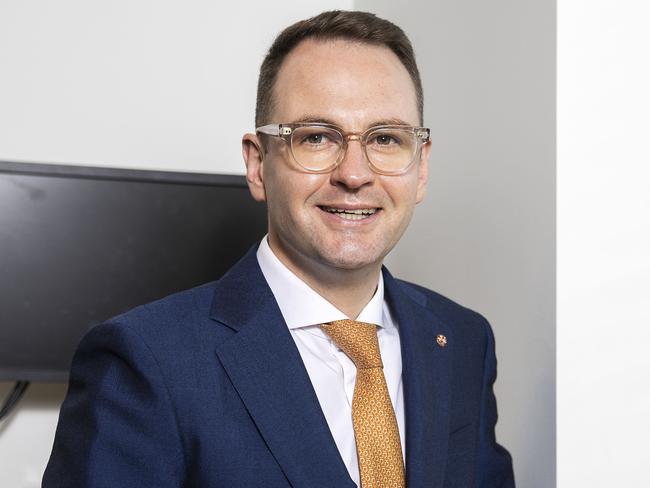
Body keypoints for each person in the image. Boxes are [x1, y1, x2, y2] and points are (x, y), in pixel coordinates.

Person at [43, 10, 514, 488]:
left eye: (386, 139)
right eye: (316, 137)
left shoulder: (462, 342)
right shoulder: (146, 360)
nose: (354, 174)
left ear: (421, 168)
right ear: (257, 164)